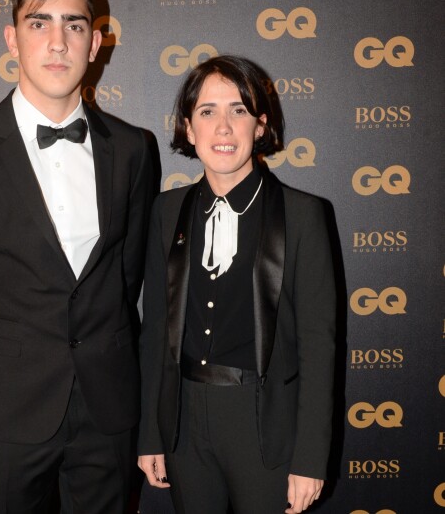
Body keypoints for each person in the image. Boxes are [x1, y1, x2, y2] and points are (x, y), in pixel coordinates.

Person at [0, 0, 155, 513]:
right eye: (37, 23)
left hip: (108, 410)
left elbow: (128, 274)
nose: (57, 42)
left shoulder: (133, 149)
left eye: (73, 25)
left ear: (95, 43)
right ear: (11, 38)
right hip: (5, 407)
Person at [138, 55, 336, 514]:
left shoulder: (303, 215)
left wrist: (310, 458)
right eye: (207, 112)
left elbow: (318, 346)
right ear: (189, 128)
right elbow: (153, 333)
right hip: (184, 424)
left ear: (261, 126)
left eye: (239, 110)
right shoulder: (166, 213)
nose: (223, 127)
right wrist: (151, 432)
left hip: (264, 426)